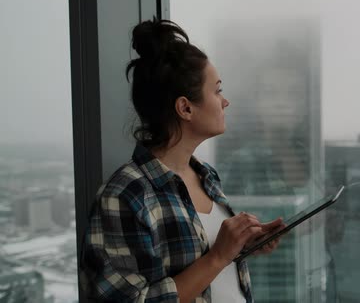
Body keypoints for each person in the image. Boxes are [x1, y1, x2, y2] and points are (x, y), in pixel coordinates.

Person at [79, 18, 284, 303]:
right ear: (185, 107)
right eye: (217, 90)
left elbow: (211, 262)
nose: (226, 102)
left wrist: (243, 245)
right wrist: (219, 256)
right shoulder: (124, 195)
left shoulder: (206, 176)